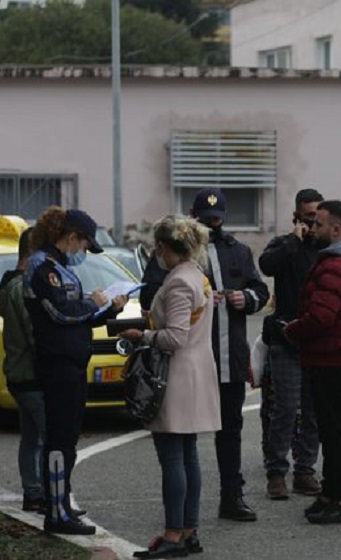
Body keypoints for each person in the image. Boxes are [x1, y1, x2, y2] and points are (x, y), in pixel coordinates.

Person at [138, 188, 270, 522]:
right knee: (186, 444)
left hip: (227, 357)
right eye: (205, 219)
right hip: (188, 358)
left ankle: (232, 495)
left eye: (217, 219)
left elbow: (260, 289)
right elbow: (149, 295)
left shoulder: (237, 251)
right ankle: (185, 518)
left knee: (230, 431)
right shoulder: (173, 258)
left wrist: (245, 298)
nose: (212, 224)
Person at [120, 215, 221, 559]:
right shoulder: (198, 276)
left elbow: (175, 337)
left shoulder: (178, 282)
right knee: (188, 455)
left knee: (172, 458)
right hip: (196, 372)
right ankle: (188, 530)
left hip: (176, 376)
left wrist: (142, 335)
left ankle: (173, 533)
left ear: (163, 247)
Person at [24, 207, 127, 535]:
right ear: (71, 238)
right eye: (83, 245)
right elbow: (59, 313)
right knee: (59, 440)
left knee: (67, 440)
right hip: (57, 366)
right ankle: (56, 511)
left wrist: (107, 309)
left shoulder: (60, 267)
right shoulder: (43, 267)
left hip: (71, 363)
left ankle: (61, 502)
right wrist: (93, 304)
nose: (83, 252)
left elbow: (77, 317)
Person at [283, 200, 341, 524]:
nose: (311, 229)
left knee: (335, 434)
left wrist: (292, 330)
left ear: (335, 229)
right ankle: (331, 494)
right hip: (336, 358)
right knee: (333, 432)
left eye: (317, 224)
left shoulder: (335, 265)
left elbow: (321, 316)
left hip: (334, 360)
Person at [258, 188, 324, 500]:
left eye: (317, 216)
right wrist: (294, 241)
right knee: (284, 408)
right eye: (308, 216)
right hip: (286, 338)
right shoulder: (284, 245)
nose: (313, 222)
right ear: (296, 216)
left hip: (318, 340)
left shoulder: (327, 249)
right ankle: (276, 472)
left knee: (314, 411)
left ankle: (305, 470)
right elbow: (267, 266)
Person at [0, 227, 45, 514]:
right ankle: (51, 497)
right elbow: (35, 333)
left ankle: (33, 493)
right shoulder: (23, 286)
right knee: (49, 438)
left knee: (31, 438)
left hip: (19, 373)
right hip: (34, 374)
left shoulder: (9, 286)